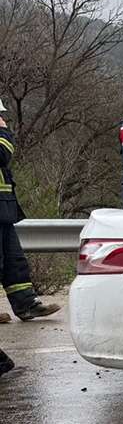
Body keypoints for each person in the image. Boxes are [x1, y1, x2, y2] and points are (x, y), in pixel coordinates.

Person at [0, 113, 60, 322]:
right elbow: (3, 154)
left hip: (4, 209)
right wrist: (3, 131)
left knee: (14, 261)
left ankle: (26, 304)